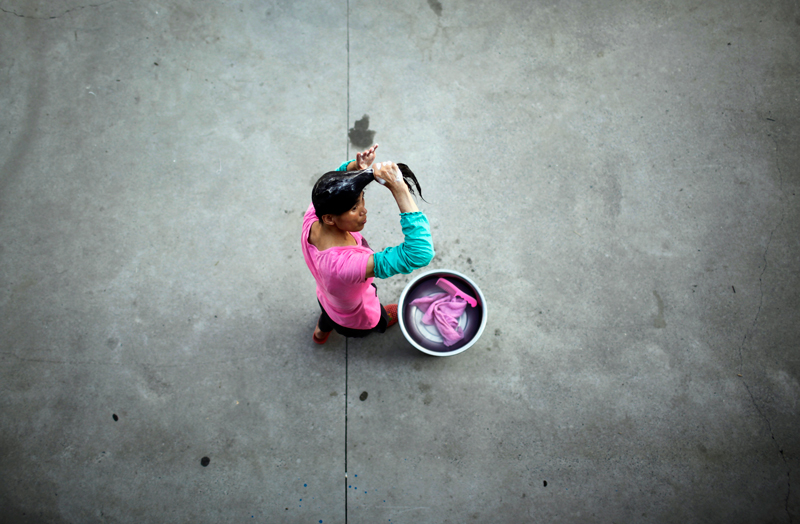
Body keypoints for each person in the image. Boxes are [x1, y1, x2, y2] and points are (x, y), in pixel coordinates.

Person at [301, 145, 435, 344]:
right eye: (354, 208)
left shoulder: (313, 217)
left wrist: (357, 167)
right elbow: (419, 253)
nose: (364, 211)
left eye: (362, 199)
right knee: (377, 320)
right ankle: (383, 319)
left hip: (326, 299)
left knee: (328, 317)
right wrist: (400, 190)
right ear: (330, 218)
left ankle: (320, 334)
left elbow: (333, 183)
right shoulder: (347, 265)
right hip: (356, 317)